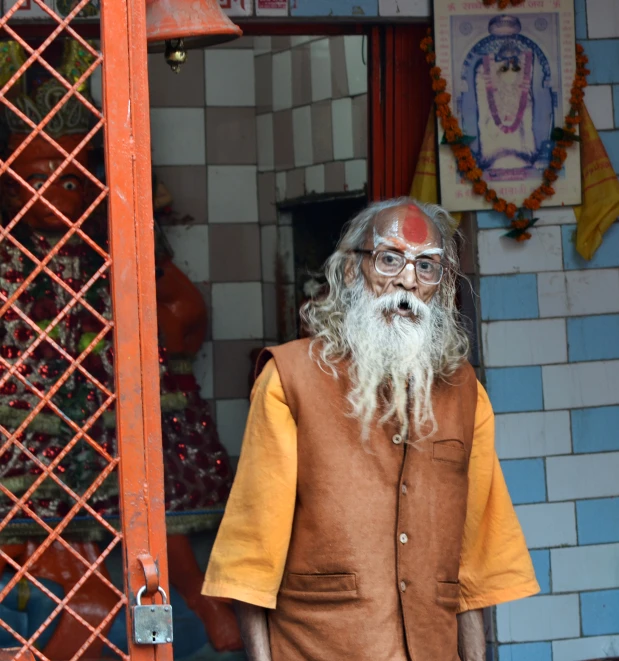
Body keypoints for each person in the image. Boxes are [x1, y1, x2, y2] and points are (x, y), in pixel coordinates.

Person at [201, 197, 539, 661]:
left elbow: (475, 567)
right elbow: (249, 568)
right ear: (349, 273)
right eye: (389, 259)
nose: (406, 280)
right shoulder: (289, 379)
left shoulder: (464, 391)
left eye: (427, 267)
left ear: (439, 290)